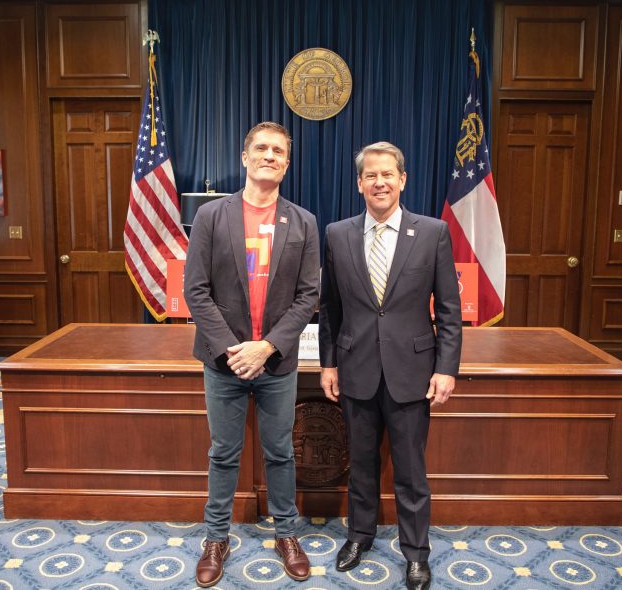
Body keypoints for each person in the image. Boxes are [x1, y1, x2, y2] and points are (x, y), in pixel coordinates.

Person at [318, 142, 462, 590]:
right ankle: (358, 537)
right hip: (356, 368)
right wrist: (328, 364)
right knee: (360, 464)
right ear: (359, 183)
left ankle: (416, 552)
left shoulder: (434, 232)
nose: (379, 182)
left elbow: (450, 312)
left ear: (403, 179)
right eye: (370, 176)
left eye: (387, 174)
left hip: (413, 374)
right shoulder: (337, 234)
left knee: (410, 470)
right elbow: (330, 308)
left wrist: (447, 368)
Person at [184, 121, 320, 588]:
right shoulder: (212, 216)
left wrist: (265, 347)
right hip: (224, 362)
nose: (269, 155)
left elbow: (308, 297)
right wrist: (233, 350)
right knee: (224, 452)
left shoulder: (303, 221)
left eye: (278, 151)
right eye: (261, 148)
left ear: (287, 162)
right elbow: (195, 291)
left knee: (281, 452)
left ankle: (287, 533)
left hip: (276, 361)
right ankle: (216, 537)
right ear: (245, 157)